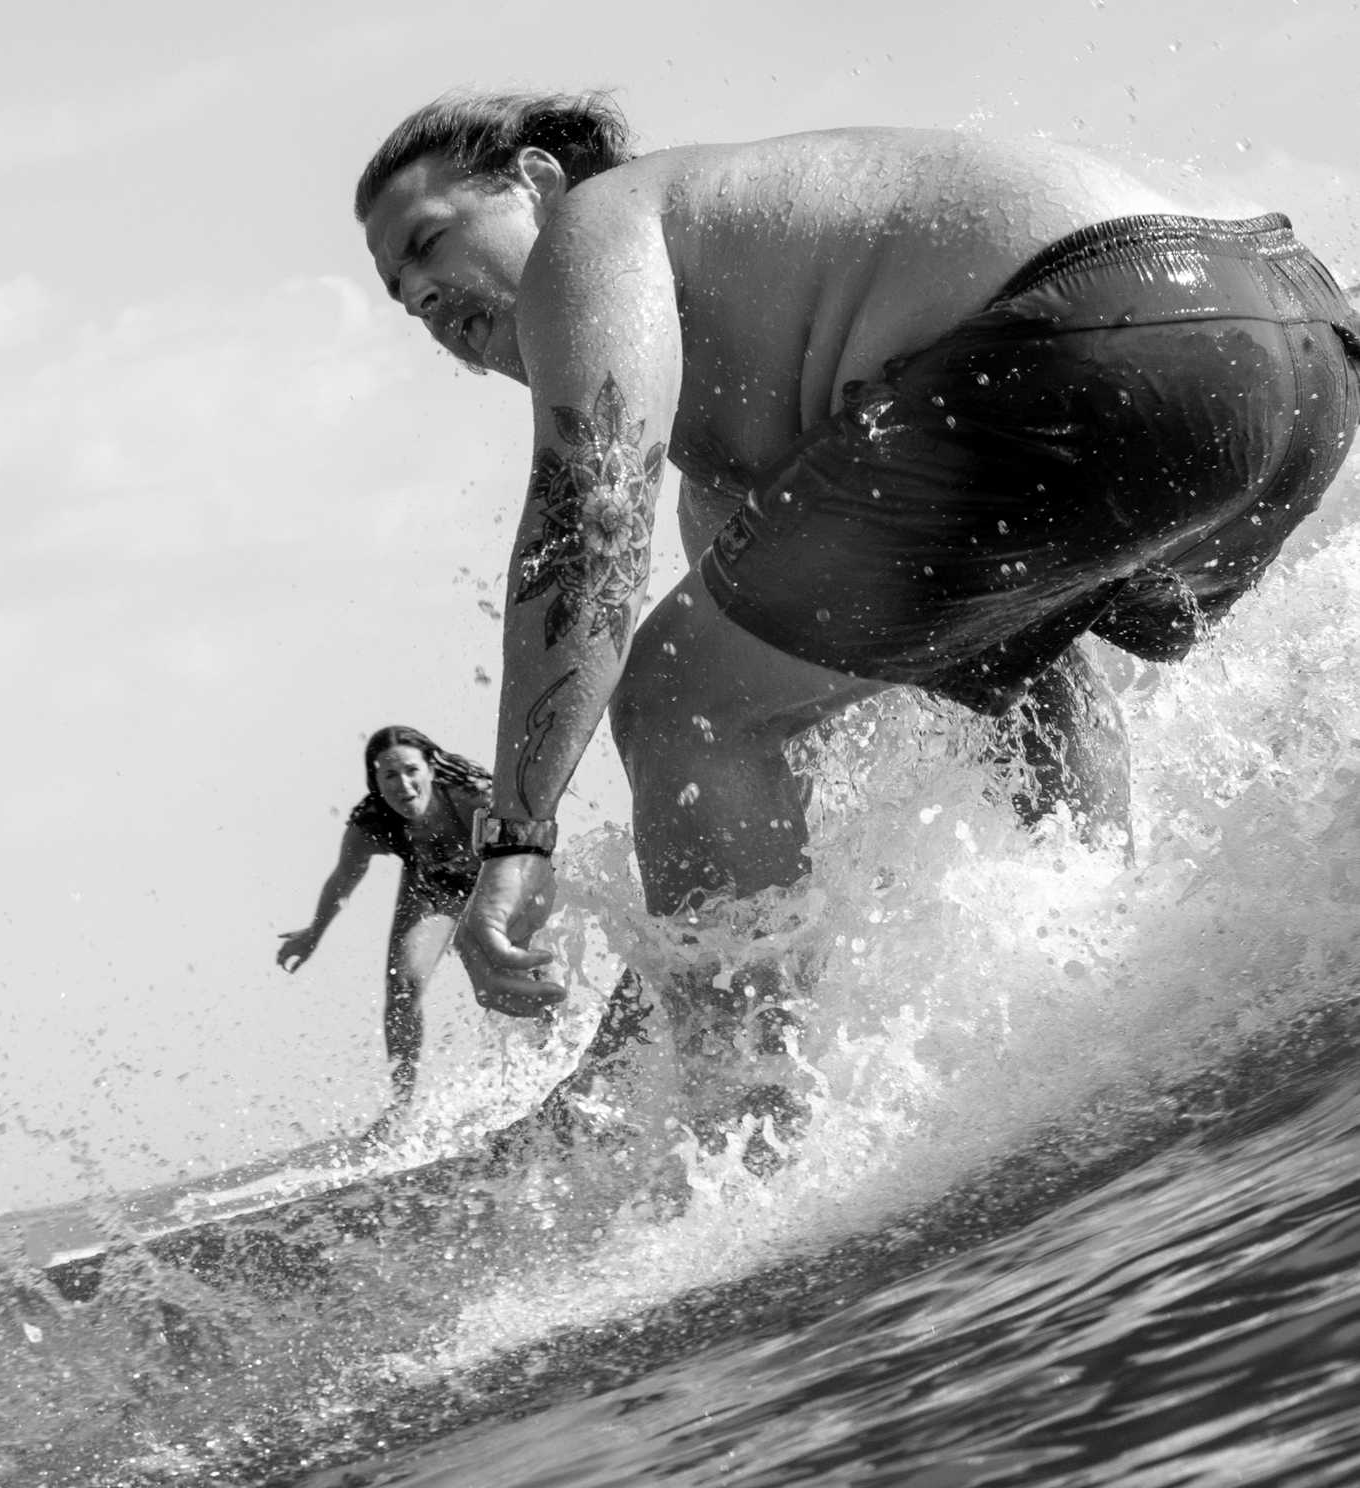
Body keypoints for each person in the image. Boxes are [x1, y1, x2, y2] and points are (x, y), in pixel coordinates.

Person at [352, 92, 1360, 1020]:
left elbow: (587, 522)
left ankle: (740, 1128)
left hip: (1104, 325)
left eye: (430, 241)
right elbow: (741, 857)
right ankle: (1114, 997)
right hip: (1294, 347)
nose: (425, 298)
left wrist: (518, 834)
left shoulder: (594, 225)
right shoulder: (764, 466)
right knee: (983, 681)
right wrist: (618, 1055)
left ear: (537, 182)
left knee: (671, 700)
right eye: (404, 300)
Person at [278, 726, 562, 1125]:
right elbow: (343, 878)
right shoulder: (372, 823)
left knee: (524, 963)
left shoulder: (473, 796)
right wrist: (313, 933)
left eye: (411, 770)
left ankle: (559, 1051)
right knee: (403, 984)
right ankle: (398, 1109)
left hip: (497, 885)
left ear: (431, 768)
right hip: (434, 890)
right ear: (376, 783)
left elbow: (530, 835)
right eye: (389, 776)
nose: (404, 784)